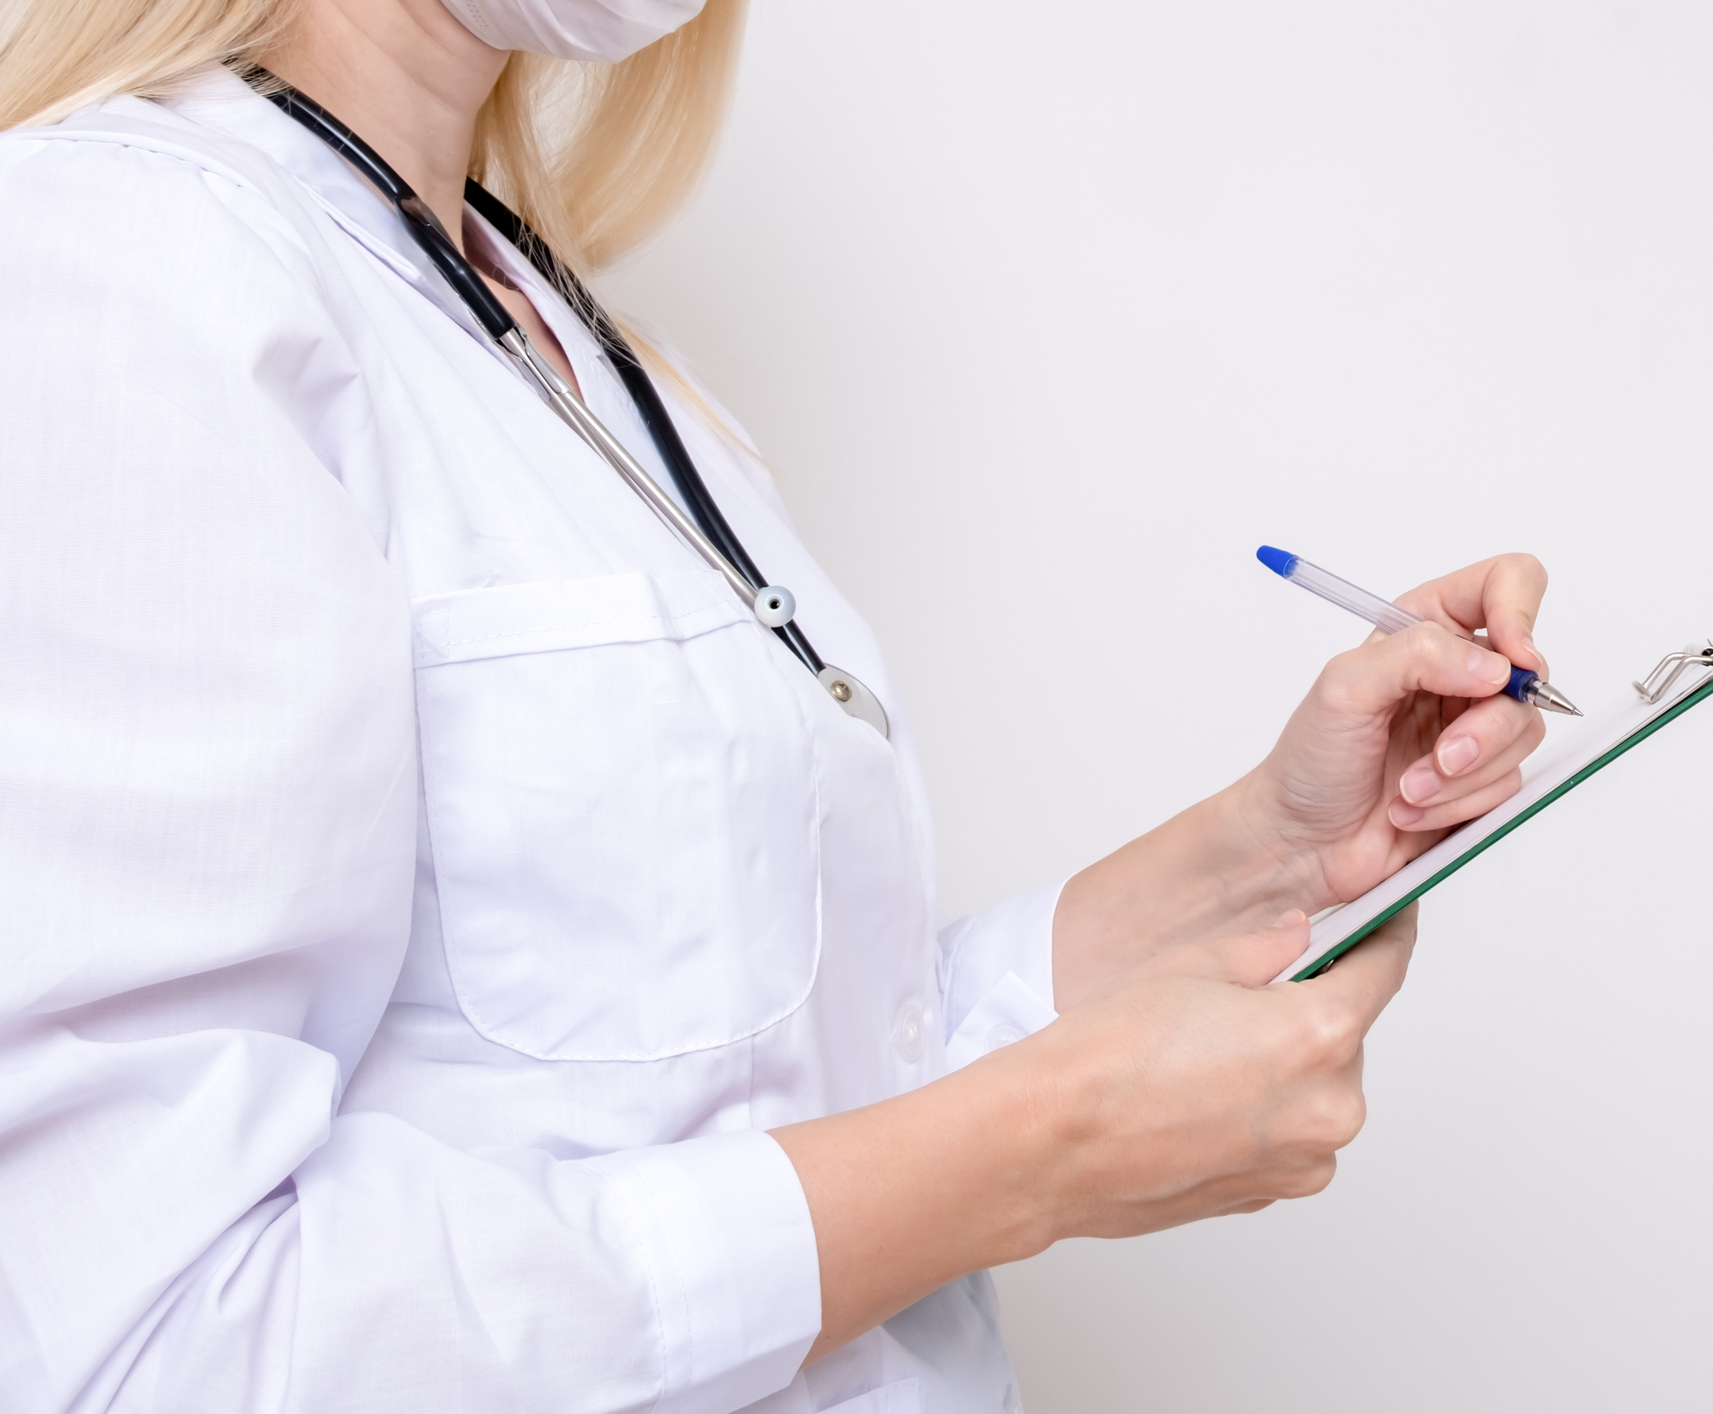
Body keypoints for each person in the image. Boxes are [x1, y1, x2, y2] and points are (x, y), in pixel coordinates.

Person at [0, 0, 1552, 1409]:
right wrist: (1041, 1148)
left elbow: (765, 1069)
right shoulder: (116, 269)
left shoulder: (567, 340)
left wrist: (1263, 860)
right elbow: (155, 1341)